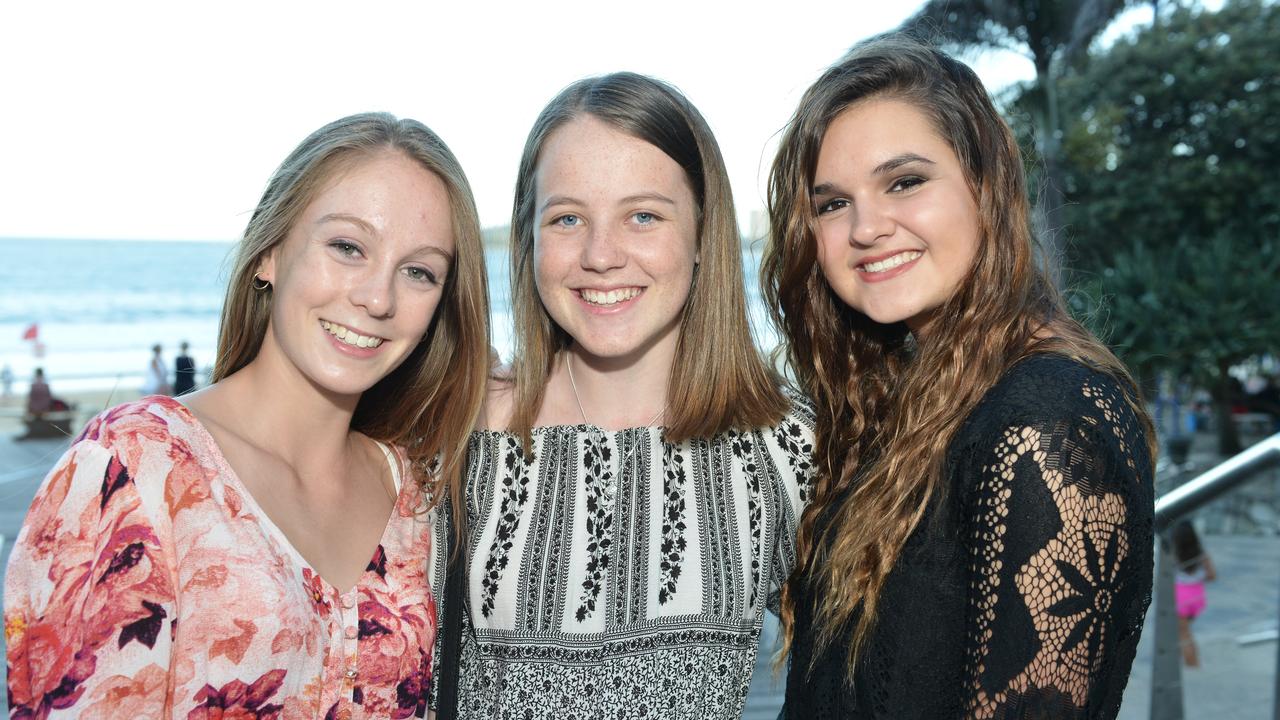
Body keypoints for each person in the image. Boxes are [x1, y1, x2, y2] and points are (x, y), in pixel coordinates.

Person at [4, 113, 490, 718]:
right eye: (347, 247)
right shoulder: (135, 470)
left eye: (419, 272)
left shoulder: (417, 498)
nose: (378, 298)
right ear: (269, 254)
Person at [762, 36, 1157, 719]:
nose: (866, 228)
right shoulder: (913, 403)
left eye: (905, 182)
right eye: (832, 204)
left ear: (986, 185)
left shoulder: (1045, 420)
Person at [444, 73, 815, 719]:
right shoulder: (459, 435)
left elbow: (860, 674)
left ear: (703, 232)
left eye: (642, 216)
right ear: (530, 240)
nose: (600, 255)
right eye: (567, 218)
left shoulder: (786, 446)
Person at [1171, 520, 1216, 667]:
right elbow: (1212, 576)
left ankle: (1193, 665)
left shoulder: (1172, 552)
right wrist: (1196, 577)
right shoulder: (1201, 553)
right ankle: (1176, 665)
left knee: (1184, 635)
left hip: (1180, 597)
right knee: (1179, 633)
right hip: (1196, 596)